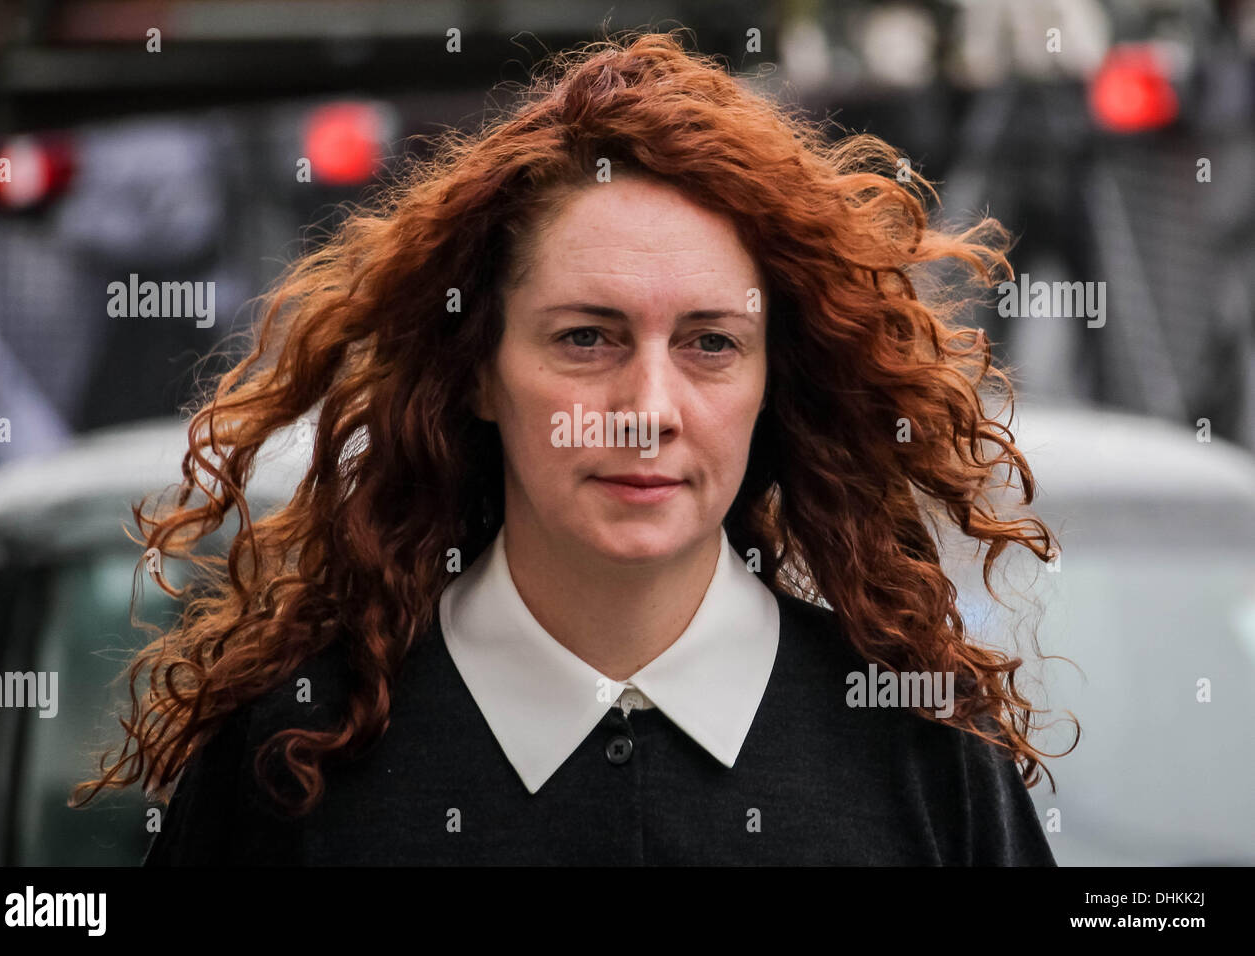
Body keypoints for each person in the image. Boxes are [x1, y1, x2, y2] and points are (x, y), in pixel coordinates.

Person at [73, 30, 1072, 865]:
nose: (646, 407)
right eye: (585, 337)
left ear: (775, 379)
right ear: (476, 369)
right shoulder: (291, 755)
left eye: (710, 343)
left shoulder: (922, 756)